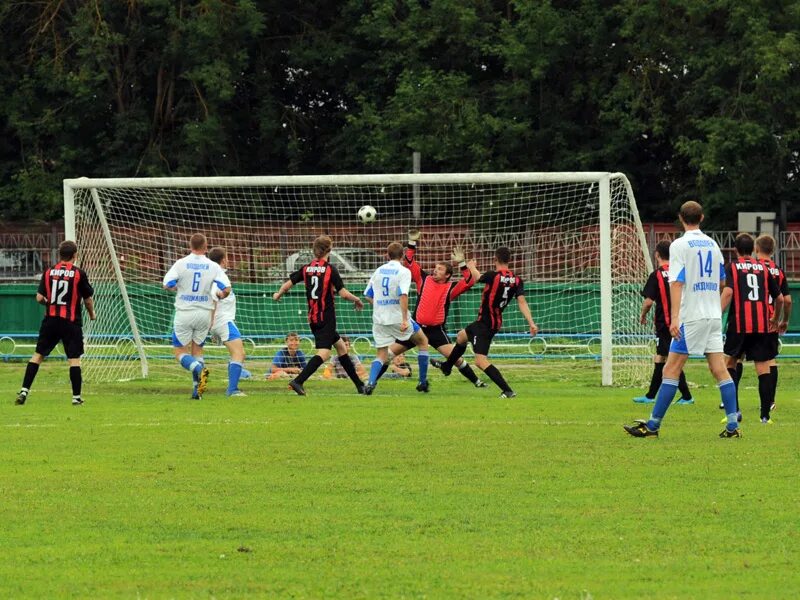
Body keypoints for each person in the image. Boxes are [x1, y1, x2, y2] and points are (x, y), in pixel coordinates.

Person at [624, 201, 741, 438]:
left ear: (680, 218)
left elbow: (676, 282)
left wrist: (675, 317)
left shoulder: (679, 245)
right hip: (712, 316)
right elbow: (721, 283)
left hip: (692, 316)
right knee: (719, 369)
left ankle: (652, 426)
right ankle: (732, 425)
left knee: (671, 368)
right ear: (702, 217)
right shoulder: (713, 245)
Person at [438, 247, 538, 397]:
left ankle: (507, 390)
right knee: (461, 337)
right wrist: (531, 323)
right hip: (491, 322)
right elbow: (522, 302)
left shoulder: (493, 276)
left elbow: (477, 277)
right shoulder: (517, 280)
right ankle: (447, 366)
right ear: (509, 260)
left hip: (485, 324)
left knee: (480, 361)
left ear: (495, 259)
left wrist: (469, 265)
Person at [272, 236, 365, 395]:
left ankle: (359, 385)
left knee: (341, 347)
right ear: (329, 249)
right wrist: (357, 299)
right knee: (324, 352)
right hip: (326, 318)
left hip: (313, 318)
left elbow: (288, 284)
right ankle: (298, 381)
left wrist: (278, 294)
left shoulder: (306, 268)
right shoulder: (330, 269)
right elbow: (342, 293)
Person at [403, 229, 487, 387]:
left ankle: (477, 382)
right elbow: (409, 263)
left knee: (455, 358)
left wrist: (462, 263)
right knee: (391, 352)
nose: (435, 270)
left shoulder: (450, 288)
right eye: (435, 268)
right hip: (416, 328)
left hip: (436, 331)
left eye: (440, 269)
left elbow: (469, 280)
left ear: (447, 275)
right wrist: (412, 243)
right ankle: (370, 382)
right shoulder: (424, 279)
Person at [15, 240, 96, 406]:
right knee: (74, 359)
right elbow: (87, 299)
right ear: (75, 255)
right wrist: (92, 314)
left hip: (51, 320)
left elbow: (38, 298)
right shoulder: (79, 273)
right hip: (71, 322)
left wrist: (50, 303)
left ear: (60, 255)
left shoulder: (49, 272)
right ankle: (76, 398)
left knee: (38, 355)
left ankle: (24, 390)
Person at [720, 233, 782, 423]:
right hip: (761, 325)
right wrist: (775, 317)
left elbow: (728, 292)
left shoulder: (732, 267)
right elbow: (779, 298)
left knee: (729, 363)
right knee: (763, 368)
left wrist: (716, 314)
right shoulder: (764, 268)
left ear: (736, 250)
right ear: (753, 249)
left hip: (739, 325)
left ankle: (734, 411)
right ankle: (765, 416)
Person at [163, 233, 231, 400]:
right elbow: (226, 288)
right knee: (197, 351)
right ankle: (197, 392)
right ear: (206, 246)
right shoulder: (212, 266)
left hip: (185, 312)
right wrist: (221, 296)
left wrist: (177, 289)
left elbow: (167, 284)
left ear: (190, 245)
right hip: (204, 313)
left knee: (180, 352)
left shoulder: (181, 263)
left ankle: (198, 370)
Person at [362, 241, 430, 395]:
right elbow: (403, 295)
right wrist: (405, 319)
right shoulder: (404, 271)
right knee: (423, 341)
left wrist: (379, 306)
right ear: (402, 256)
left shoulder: (378, 271)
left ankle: (371, 383)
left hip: (379, 318)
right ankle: (422, 382)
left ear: (387, 254)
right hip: (397, 317)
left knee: (381, 354)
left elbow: (367, 295)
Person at [633, 241, 693, 404]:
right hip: (683, 320)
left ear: (657, 255)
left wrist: (643, 315)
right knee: (661, 357)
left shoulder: (657, 275)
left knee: (670, 359)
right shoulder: (681, 272)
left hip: (666, 323)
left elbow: (648, 302)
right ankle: (651, 395)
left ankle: (687, 396)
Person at [755, 234, 792, 415]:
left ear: (756, 249)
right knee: (770, 359)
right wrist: (783, 320)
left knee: (735, 357)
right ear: (774, 250)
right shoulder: (779, 270)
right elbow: (787, 300)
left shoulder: (755, 268)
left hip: (755, 318)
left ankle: (730, 404)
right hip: (772, 319)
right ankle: (770, 401)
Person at [208, 246, 247, 397]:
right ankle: (232, 390)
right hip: (223, 321)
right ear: (223, 260)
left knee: (236, 353)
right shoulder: (218, 277)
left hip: (221, 322)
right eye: (227, 257)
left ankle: (233, 388)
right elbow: (213, 299)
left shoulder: (214, 275)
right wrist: (211, 324)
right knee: (239, 353)